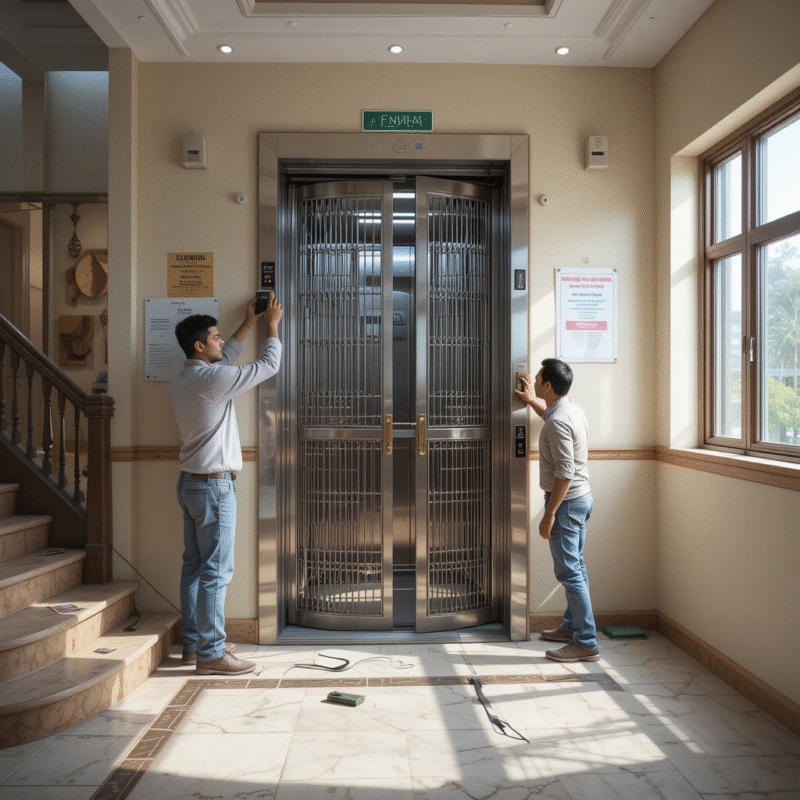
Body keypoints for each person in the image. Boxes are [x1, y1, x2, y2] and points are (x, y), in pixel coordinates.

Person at [169, 293, 282, 675]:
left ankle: (192, 645)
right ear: (200, 346)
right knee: (217, 571)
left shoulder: (186, 375)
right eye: (215, 337)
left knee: (194, 568)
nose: (221, 342)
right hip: (215, 488)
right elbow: (268, 365)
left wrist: (246, 323)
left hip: (189, 484)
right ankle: (212, 653)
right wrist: (272, 326)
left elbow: (225, 362)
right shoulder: (213, 380)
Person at [515, 358, 599, 662]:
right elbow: (549, 414)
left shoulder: (558, 422)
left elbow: (565, 471)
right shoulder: (570, 409)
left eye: (538, 380)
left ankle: (586, 642)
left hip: (567, 503)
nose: (535, 382)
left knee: (569, 572)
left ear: (548, 385)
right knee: (575, 568)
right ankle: (571, 627)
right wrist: (530, 401)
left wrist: (550, 513)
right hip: (581, 499)